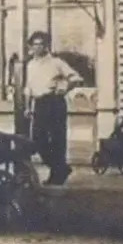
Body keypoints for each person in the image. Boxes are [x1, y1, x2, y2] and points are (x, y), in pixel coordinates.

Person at [24, 31, 83, 186]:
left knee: (57, 139)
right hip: (39, 104)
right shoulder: (30, 65)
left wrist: (65, 88)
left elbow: (75, 77)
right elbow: (28, 88)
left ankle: (56, 175)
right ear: (30, 46)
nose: (38, 47)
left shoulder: (56, 62)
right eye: (35, 44)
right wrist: (27, 107)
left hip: (54, 102)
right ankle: (61, 168)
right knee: (37, 140)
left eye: (41, 44)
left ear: (46, 46)